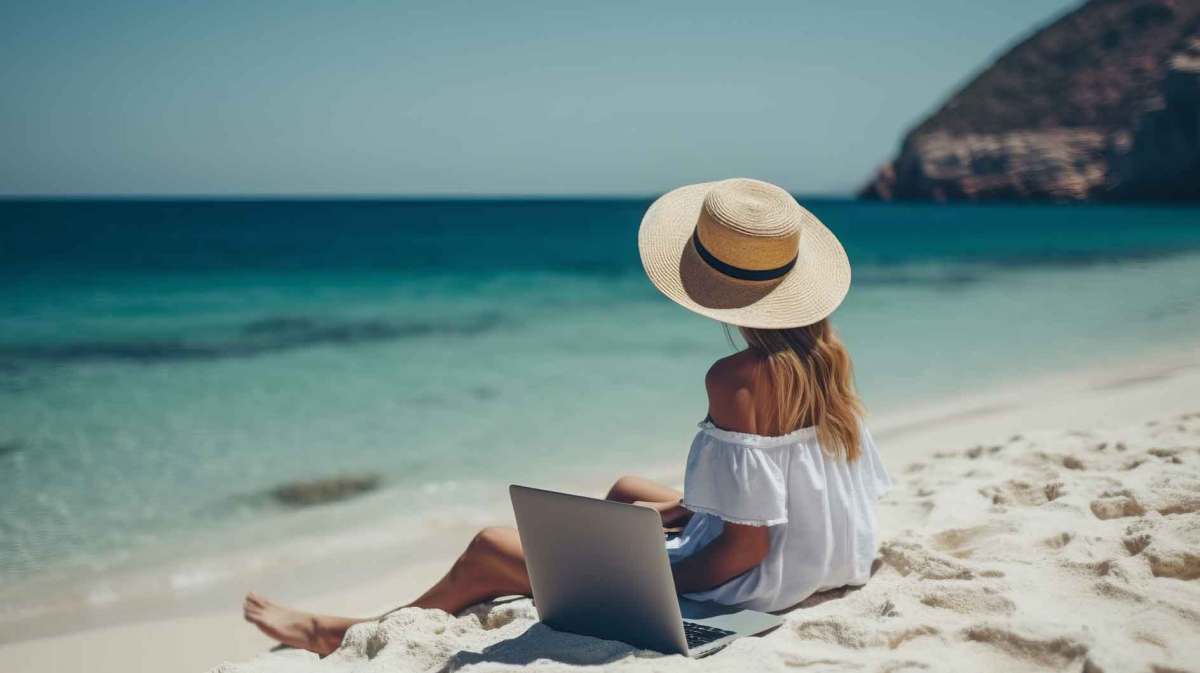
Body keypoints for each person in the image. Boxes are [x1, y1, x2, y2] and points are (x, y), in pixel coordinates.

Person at [243, 178, 892, 655]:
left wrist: (651, 575)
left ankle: (339, 632)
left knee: (489, 547)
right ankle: (619, 544)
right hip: (824, 560)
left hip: (752, 587)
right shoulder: (826, 359)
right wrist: (694, 513)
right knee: (629, 490)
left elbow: (744, 547)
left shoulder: (737, 378)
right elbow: (798, 481)